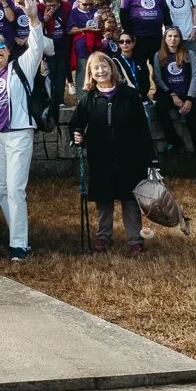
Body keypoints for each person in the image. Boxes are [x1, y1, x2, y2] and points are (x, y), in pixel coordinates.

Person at [0, 0, 50, 261]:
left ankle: (18, 244)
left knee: (16, 189)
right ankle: (19, 237)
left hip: (18, 135)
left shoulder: (21, 68)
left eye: (2, 46)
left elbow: (37, 46)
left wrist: (33, 18)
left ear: (8, 50)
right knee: (3, 189)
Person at [70, 50, 157, 254]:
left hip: (129, 157)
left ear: (112, 69)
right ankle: (103, 238)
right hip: (101, 157)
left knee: (130, 199)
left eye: (104, 66)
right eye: (96, 68)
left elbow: (143, 129)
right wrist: (77, 134)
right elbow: (76, 124)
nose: (101, 71)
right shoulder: (88, 99)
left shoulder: (129, 95)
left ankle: (135, 239)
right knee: (104, 199)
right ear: (90, 73)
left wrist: (151, 159)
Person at [151, 26, 196, 175]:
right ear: (165, 39)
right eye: (169, 36)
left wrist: (189, 99)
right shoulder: (159, 56)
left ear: (180, 39)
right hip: (170, 94)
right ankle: (174, 140)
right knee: (159, 109)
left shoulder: (189, 54)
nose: (173, 39)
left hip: (189, 95)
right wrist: (172, 95)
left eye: (176, 36)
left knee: (194, 128)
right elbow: (158, 78)